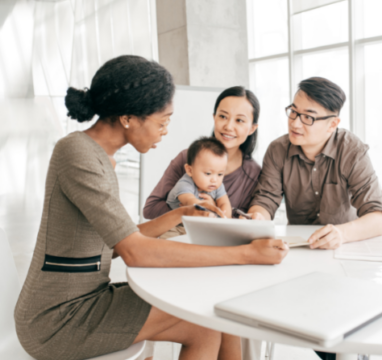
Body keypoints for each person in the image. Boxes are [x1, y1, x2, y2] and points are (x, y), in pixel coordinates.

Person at [14, 55, 288, 360]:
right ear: (129, 117)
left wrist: (181, 213)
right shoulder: (78, 153)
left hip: (84, 300)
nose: (166, 130)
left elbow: (116, 241)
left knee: (208, 320)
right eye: (163, 120)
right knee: (205, 324)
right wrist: (245, 254)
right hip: (58, 318)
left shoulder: (100, 156)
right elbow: (135, 252)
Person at [246, 77, 382, 360]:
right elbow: (266, 200)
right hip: (302, 255)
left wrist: (342, 233)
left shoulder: (351, 149)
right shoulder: (278, 150)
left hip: (345, 256)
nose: (295, 123)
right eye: (294, 112)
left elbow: (379, 217)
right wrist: (256, 217)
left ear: (332, 123)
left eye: (308, 117)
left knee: (343, 329)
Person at [143, 86, 261, 232]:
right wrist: (195, 211)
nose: (229, 126)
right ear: (214, 117)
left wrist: (215, 210)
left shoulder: (253, 173)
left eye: (239, 120)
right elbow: (150, 209)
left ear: (252, 128)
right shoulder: (187, 158)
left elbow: (243, 224)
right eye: (222, 116)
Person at [166, 137, 232, 221]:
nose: (215, 180)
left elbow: (225, 204)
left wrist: (223, 215)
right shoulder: (184, 184)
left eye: (220, 174)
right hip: (176, 226)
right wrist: (211, 209)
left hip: (198, 225)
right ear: (190, 170)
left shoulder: (217, 185)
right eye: (208, 173)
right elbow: (191, 202)